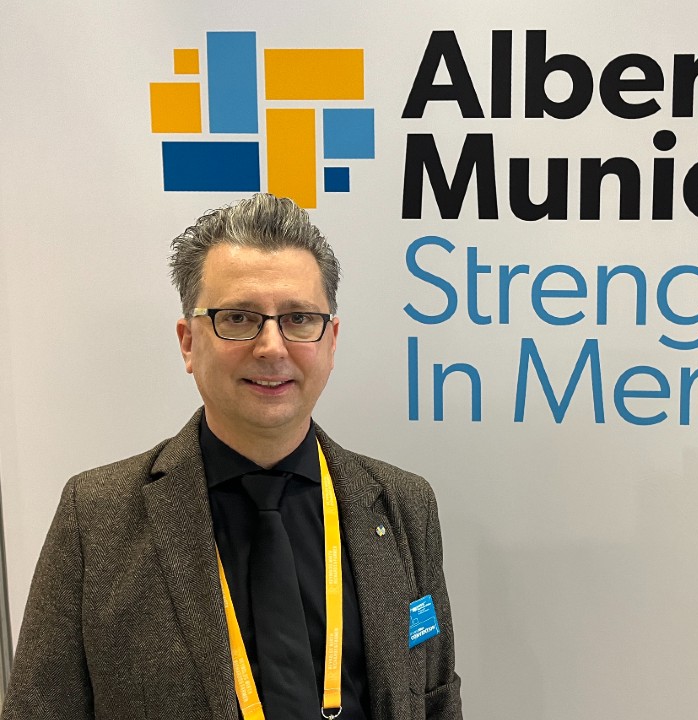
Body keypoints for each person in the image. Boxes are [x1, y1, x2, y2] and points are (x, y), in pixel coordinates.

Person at [2, 194, 463, 720]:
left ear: (331, 341)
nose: (271, 346)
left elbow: (436, 699)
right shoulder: (97, 516)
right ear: (188, 343)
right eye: (239, 318)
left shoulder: (404, 506)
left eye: (298, 318)